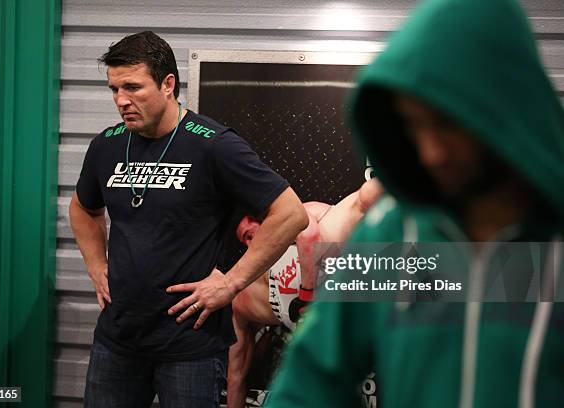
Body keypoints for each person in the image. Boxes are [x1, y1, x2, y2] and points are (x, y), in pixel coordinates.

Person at [266, 0, 564, 407]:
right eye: (414, 125)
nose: (431, 153)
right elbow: (310, 379)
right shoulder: (394, 232)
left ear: (503, 107)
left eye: (446, 123)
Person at [68, 31, 308, 408]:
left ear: (168, 84)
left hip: (190, 346)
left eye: (132, 87)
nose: (121, 101)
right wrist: (97, 265)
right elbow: (83, 208)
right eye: (114, 89)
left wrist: (231, 283)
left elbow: (290, 214)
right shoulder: (108, 145)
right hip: (118, 340)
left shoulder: (213, 144)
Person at [227, 180, 383, 407]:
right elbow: (236, 376)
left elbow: (308, 234)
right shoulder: (244, 297)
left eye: (251, 233)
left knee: (366, 197)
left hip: (343, 268)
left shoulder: (307, 214)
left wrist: (307, 295)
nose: (252, 243)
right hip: (333, 315)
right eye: (246, 241)